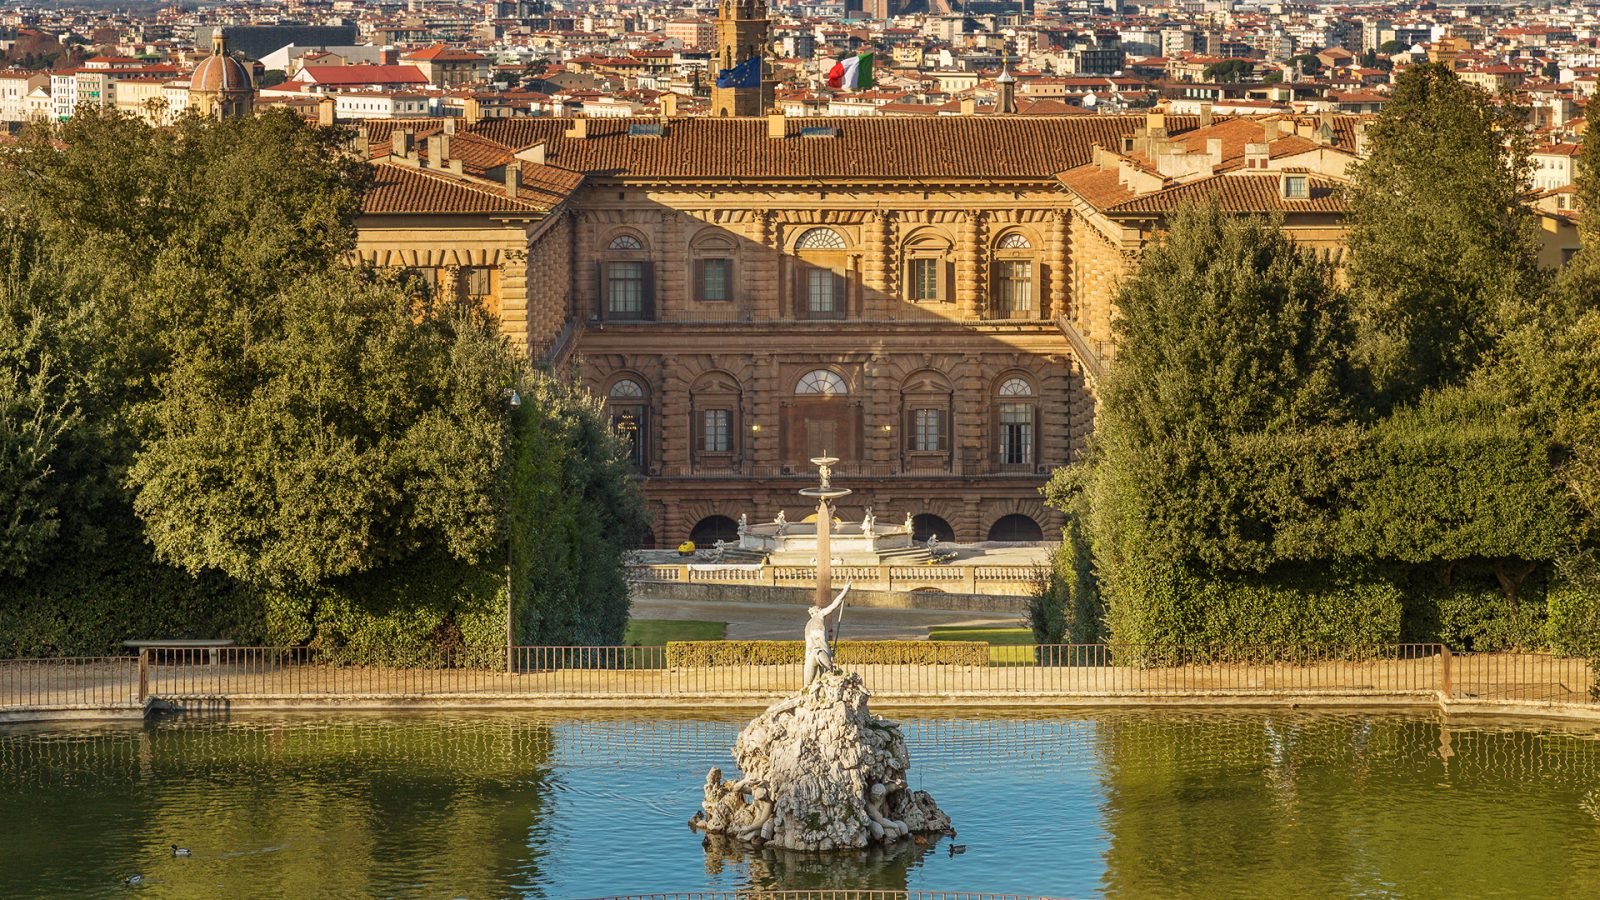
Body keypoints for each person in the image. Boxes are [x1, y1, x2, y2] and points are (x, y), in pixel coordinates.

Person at [803, 581, 850, 687]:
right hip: (821, 653)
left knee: (807, 687)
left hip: (810, 656)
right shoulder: (820, 615)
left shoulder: (807, 626)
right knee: (830, 678)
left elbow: (809, 646)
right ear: (817, 611)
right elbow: (834, 604)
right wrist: (845, 591)